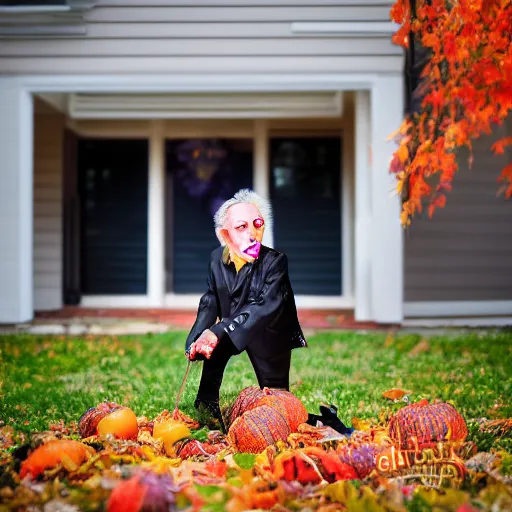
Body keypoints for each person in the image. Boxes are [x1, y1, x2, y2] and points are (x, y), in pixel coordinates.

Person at [185, 189, 307, 431]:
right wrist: (199, 334)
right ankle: (207, 408)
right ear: (225, 234)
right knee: (214, 356)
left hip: (269, 331)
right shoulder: (215, 260)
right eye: (241, 227)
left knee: (277, 397)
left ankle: (286, 421)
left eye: (257, 224)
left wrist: (218, 330)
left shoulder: (275, 262)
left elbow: (261, 306)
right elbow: (211, 299)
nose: (252, 233)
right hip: (232, 326)